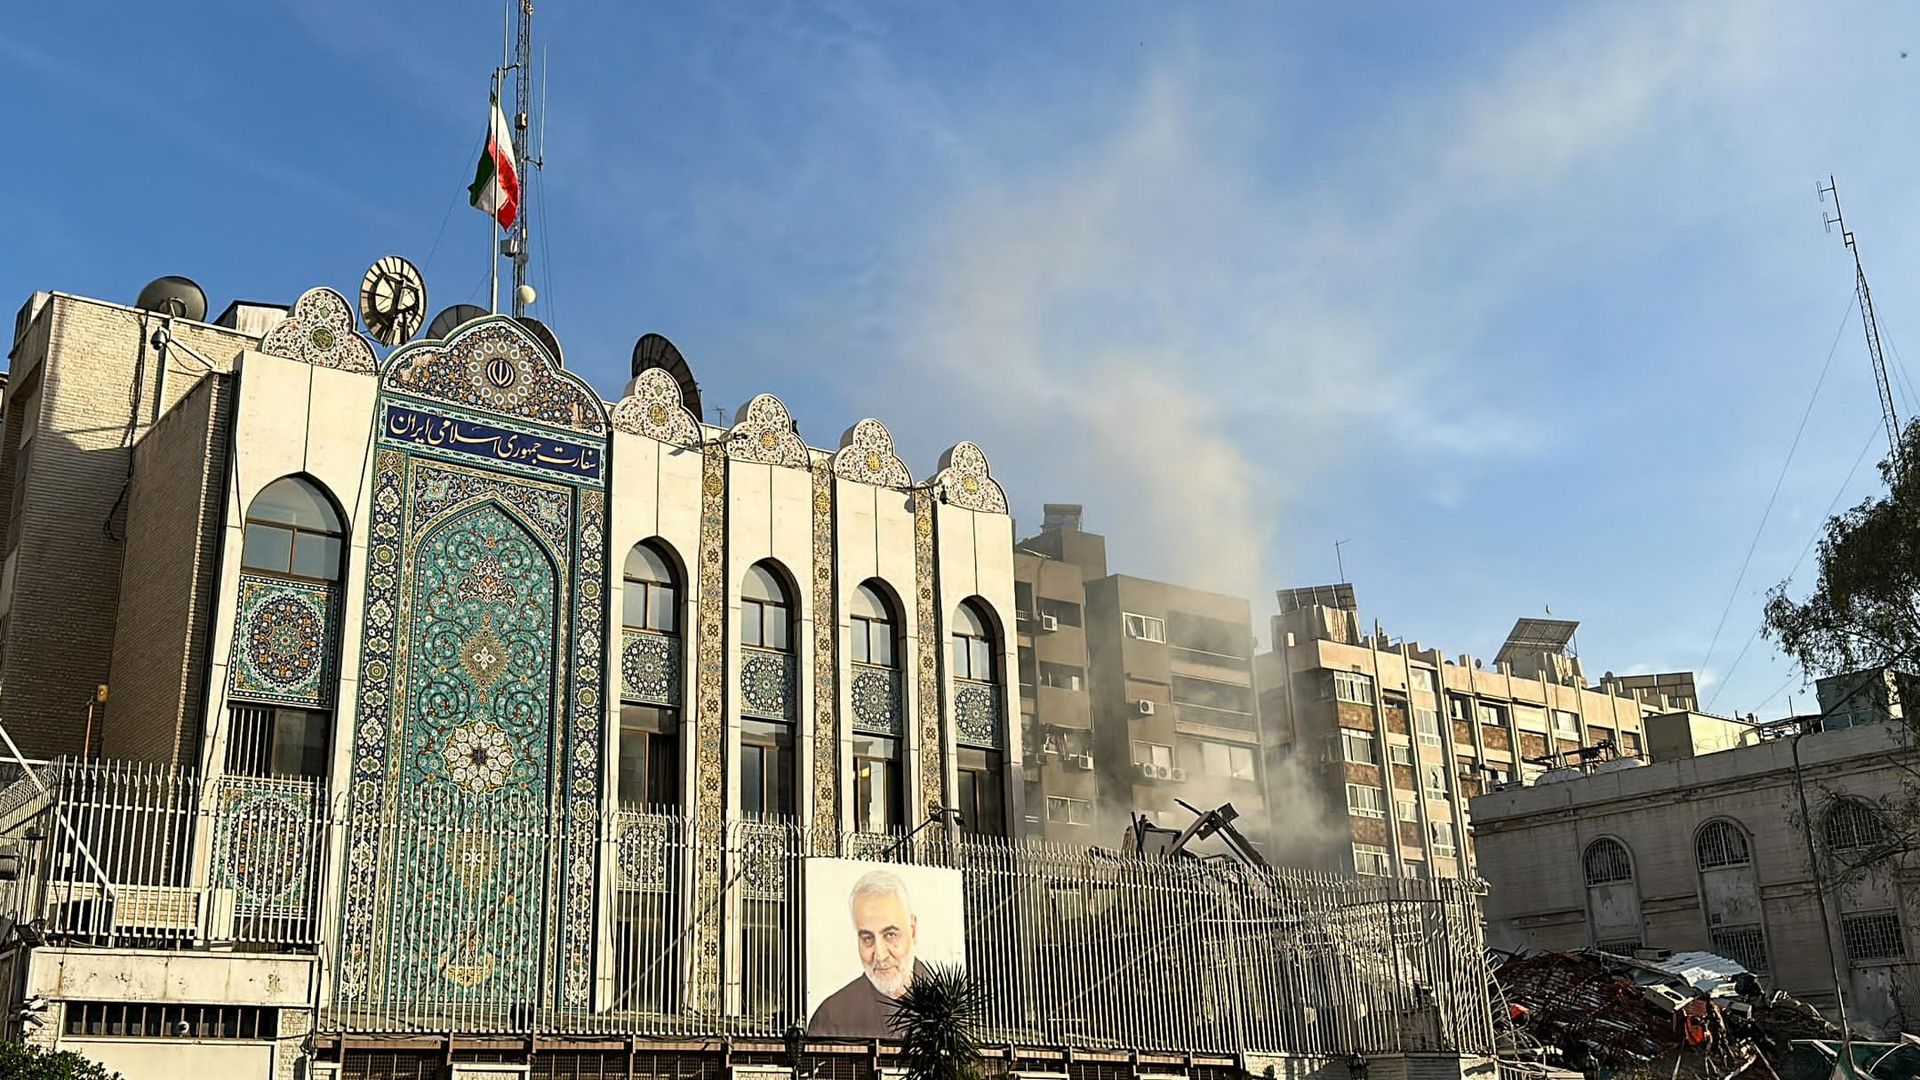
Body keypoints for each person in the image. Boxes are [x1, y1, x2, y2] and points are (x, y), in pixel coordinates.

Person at [808, 869, 931, 1038]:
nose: (880, 955)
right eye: (867, 938)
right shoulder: (832, 1018)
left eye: (890, 935)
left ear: (913, 930)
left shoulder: (952, 1008)